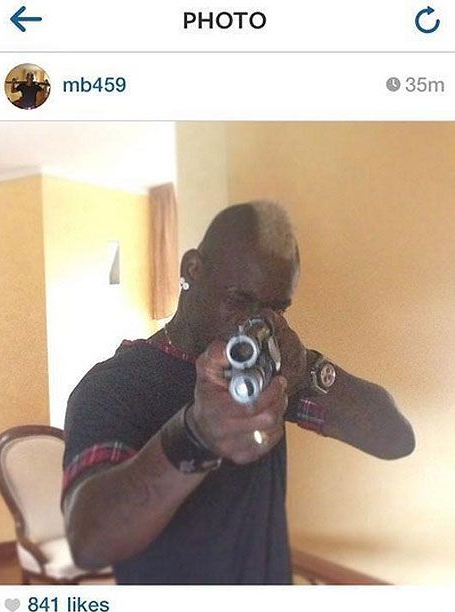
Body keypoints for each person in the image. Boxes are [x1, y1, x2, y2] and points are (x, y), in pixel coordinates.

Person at [62, 201, 415, 584]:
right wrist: (195, 436)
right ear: (192, 269)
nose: (255, 323)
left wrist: (309, 370)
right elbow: (89, 541)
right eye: (240, 300)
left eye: (276, 309)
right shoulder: (114, 384)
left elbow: (395, 439)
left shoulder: (269, 371)